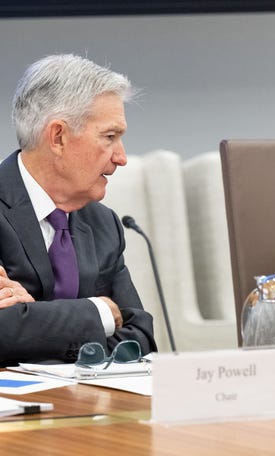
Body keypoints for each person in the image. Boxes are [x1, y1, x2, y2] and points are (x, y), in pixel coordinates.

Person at [0, 54, 157, 366]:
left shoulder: (104, 224)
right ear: (58, 137)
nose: (121, 157)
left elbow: (140, 335)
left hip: (87, 405)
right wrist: (99, 311)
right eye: (110, 137)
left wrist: (32, 319)